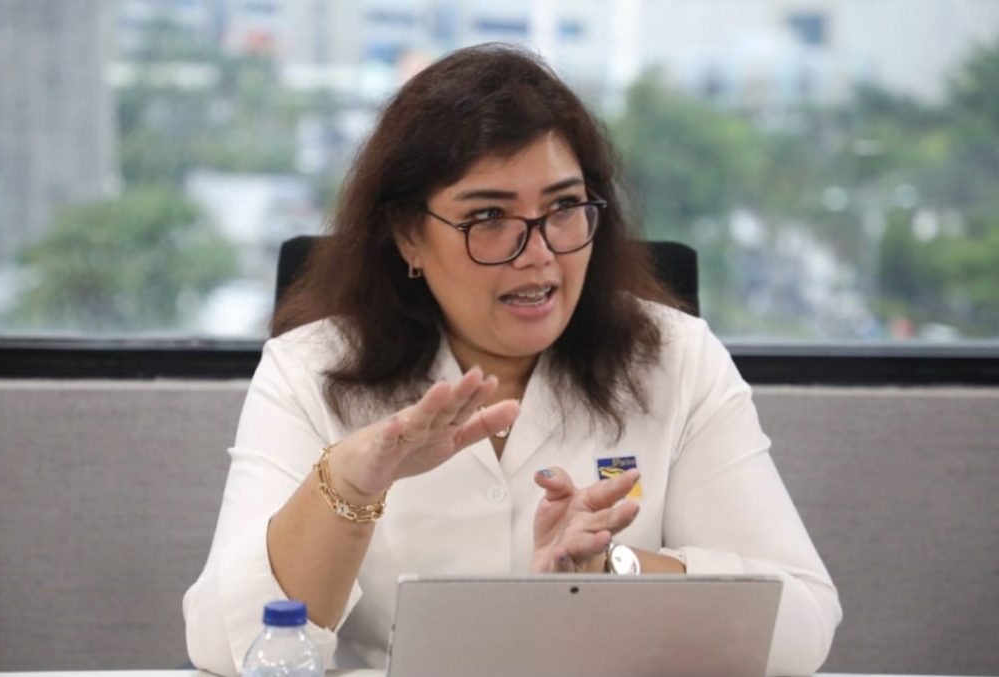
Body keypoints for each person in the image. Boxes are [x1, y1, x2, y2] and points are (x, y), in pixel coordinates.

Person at [183, 43, 841, 676]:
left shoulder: (674, 358)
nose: (540, 253)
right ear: (408, 235)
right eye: (489, 217)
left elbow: (803, 623)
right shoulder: (310, 370)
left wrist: (614, 570)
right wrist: (350, 485)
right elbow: (224, 646)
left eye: (563, 208)